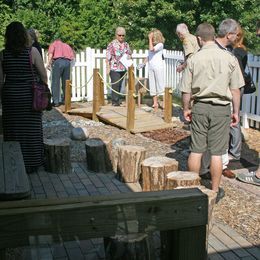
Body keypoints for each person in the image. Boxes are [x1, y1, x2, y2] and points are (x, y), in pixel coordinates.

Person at [179, 22, 244, 202]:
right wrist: (236, 112)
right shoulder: (229, 58)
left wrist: (186, 108)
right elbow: (236, 90)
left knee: (196, 150)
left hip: (200, 106)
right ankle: (214, 191)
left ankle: (192, 189)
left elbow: (186, 90)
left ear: (199, 39)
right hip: (221, 108)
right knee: (217, 152)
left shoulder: (194, 59)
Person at [0, 21, 48, 173]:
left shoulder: (2, 54)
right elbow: (43, 76)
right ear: (23, 35)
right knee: (31, 130)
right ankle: (33, 162)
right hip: (30, 97)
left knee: (13, 130)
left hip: (11, 97)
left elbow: (0, 81)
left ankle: (13, 163)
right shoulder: (32, 52)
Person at [200, 19, 242, 179]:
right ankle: (204, 169)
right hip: (211, 98)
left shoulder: (228, 50)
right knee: (206, 139)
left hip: (225, 99)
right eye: (236, 34)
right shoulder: (210, 49)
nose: (238, 37)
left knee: (223, 138)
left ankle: (221, 165)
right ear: (229, 34)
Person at [106, 27, 132, 106]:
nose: (121, 37)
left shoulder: (126, 44)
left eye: (123, 35)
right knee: (115, 84)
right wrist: (107, 67)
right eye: (119, 35)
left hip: (123, 68)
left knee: (120, 85)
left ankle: (117, 100)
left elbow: (129, 53)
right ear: (116, 35)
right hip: (114, 68)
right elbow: (108, 57)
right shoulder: (112, 44)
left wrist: (129, 57)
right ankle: (115, 102)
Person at [46, 38, 75, 107]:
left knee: (55, 82)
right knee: (66, 82)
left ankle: (56, 102)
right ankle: (66, 100)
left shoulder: (53, 44)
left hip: (58, 62)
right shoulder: (67, 45)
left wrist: (49, 63)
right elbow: (72, 57)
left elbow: (50, 54)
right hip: (67, 62)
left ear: (55, 40)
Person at [147, 29, 165, 109]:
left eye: (153, 37)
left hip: (158, 67)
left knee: (160, 85)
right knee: (152, 85)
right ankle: (155, 102)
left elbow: (151, 50)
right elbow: (149, 55)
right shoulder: (152, 45)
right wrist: (143, 63)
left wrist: (150, 39)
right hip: (151, 67)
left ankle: (164, 102)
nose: (152, 38)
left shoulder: (160, 44)